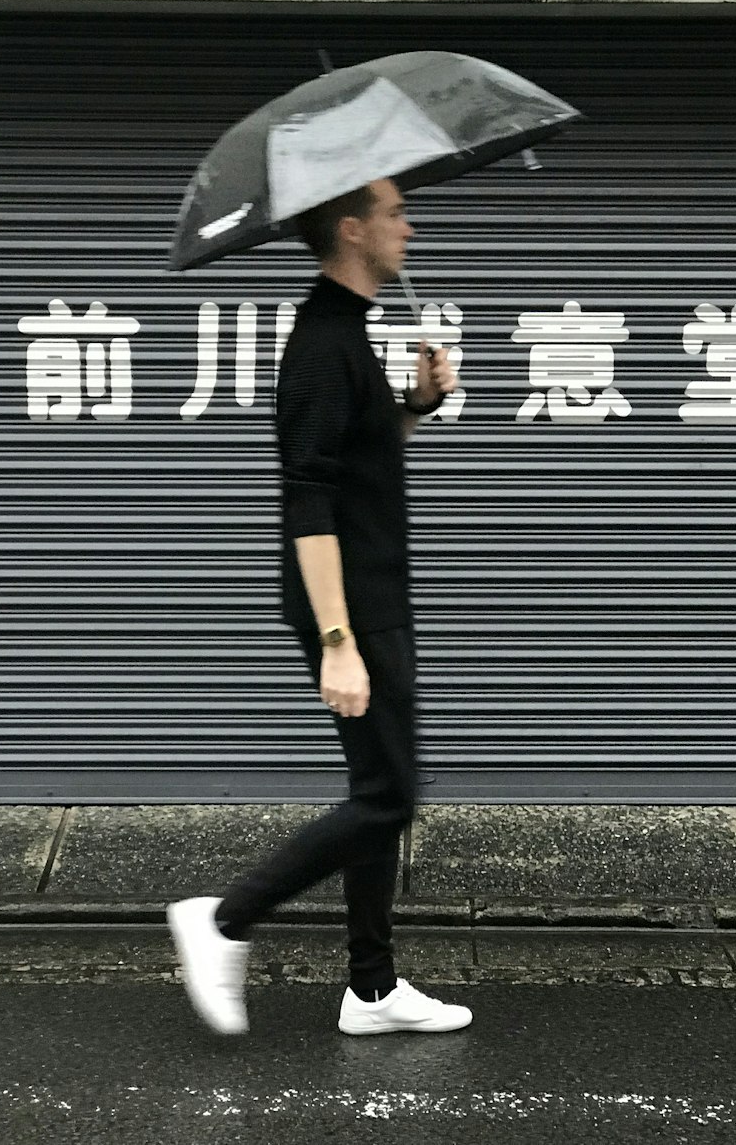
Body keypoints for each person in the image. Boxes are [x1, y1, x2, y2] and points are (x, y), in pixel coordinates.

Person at [167, 177, 472, 1037]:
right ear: (352, 228)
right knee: (391, 795)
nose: (409, 227)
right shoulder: (318, 345)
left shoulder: (348, 336)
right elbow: (307, 501)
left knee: (377, 785)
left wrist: (418, 403)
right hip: (352, 609)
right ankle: (224, 918)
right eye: (395, 213)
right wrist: (338, 639)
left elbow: (360, 459)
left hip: (374, 597)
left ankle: (372, 988)